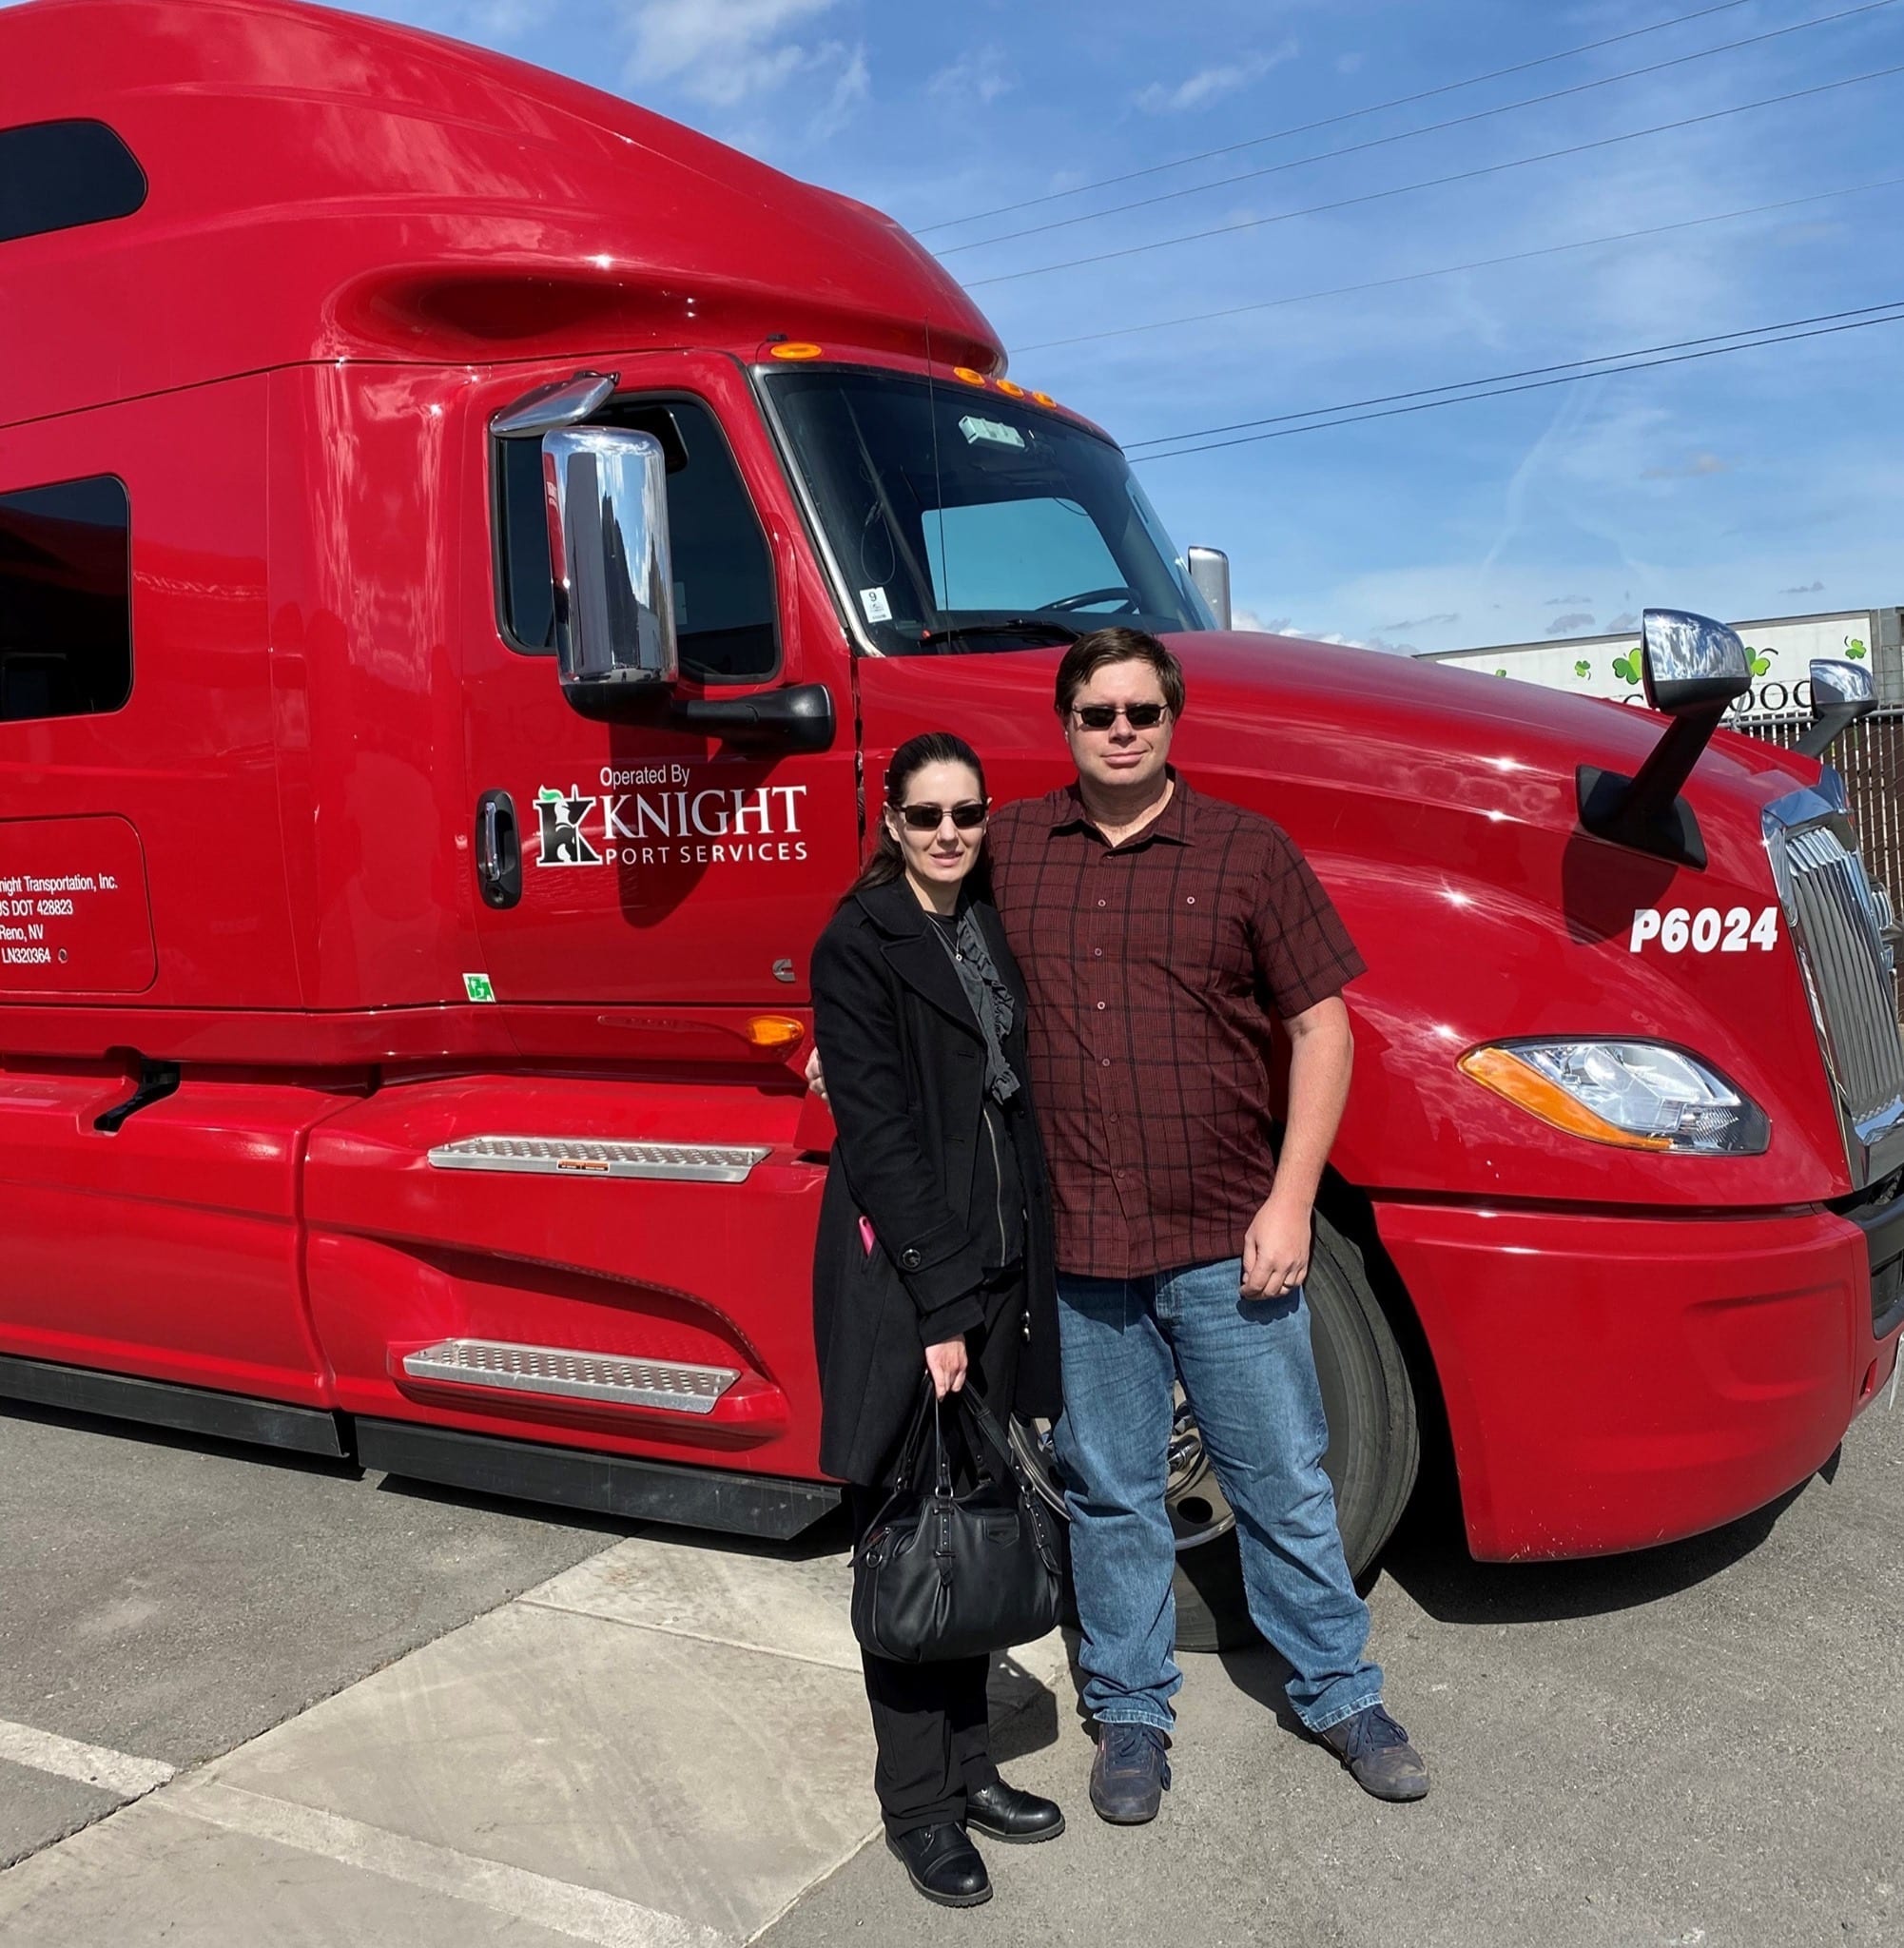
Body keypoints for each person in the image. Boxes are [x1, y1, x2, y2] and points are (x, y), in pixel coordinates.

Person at [984, 626, 1427, 1821]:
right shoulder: (1012, 846)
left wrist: (1291, 1202)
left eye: (1140, 711)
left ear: (1174, 720)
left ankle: (1339, 1688)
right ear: (1064, 724)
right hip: (1076, 1246)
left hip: (1223, 1239)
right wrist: (847, 1033)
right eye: (1096, 713)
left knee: (1281, 1479)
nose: (1119, 730)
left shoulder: (1245, 851)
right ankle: (1130, 1713)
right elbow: (903, 922)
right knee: (1113, 1490)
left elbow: (1321, 1028)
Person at [809, 730, 1065, 1910]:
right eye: (926, 815)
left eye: (967, 812)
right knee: (910, 1534)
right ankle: (916, 1804)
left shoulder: (988, 922)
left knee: (974, 1527)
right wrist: (941, 1302)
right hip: (913, 1282)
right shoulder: (858, 943)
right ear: (891, 822)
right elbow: (881, 1135)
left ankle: (970, 1768)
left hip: (998, 1266)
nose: (950, 831)